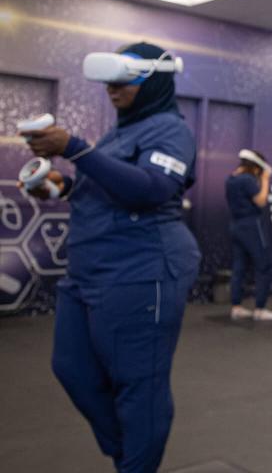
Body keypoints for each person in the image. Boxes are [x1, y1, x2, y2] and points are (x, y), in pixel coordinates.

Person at [21, 42, 199, 472]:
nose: (112, 89)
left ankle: (136, 462)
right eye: (109, 82)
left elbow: (152, 189)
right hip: (89, 272)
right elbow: (106, 188)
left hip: (141, 270)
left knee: (139, 386)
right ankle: (132, 455)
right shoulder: (120, 132)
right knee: (72, 369)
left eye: (124, 81)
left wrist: (75, 147)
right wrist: (60, 186)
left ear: (153, 81)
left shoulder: (170, 130)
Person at [225, 149, 272, 321]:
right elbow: (261, 201)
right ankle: (260, 309)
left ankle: (236, 307)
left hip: (236, 225)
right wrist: (265, 180)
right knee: (264, 265)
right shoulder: (247, 179)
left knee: (239, 266)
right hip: (251, 226)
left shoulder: (231, 178)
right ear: (256, 167)